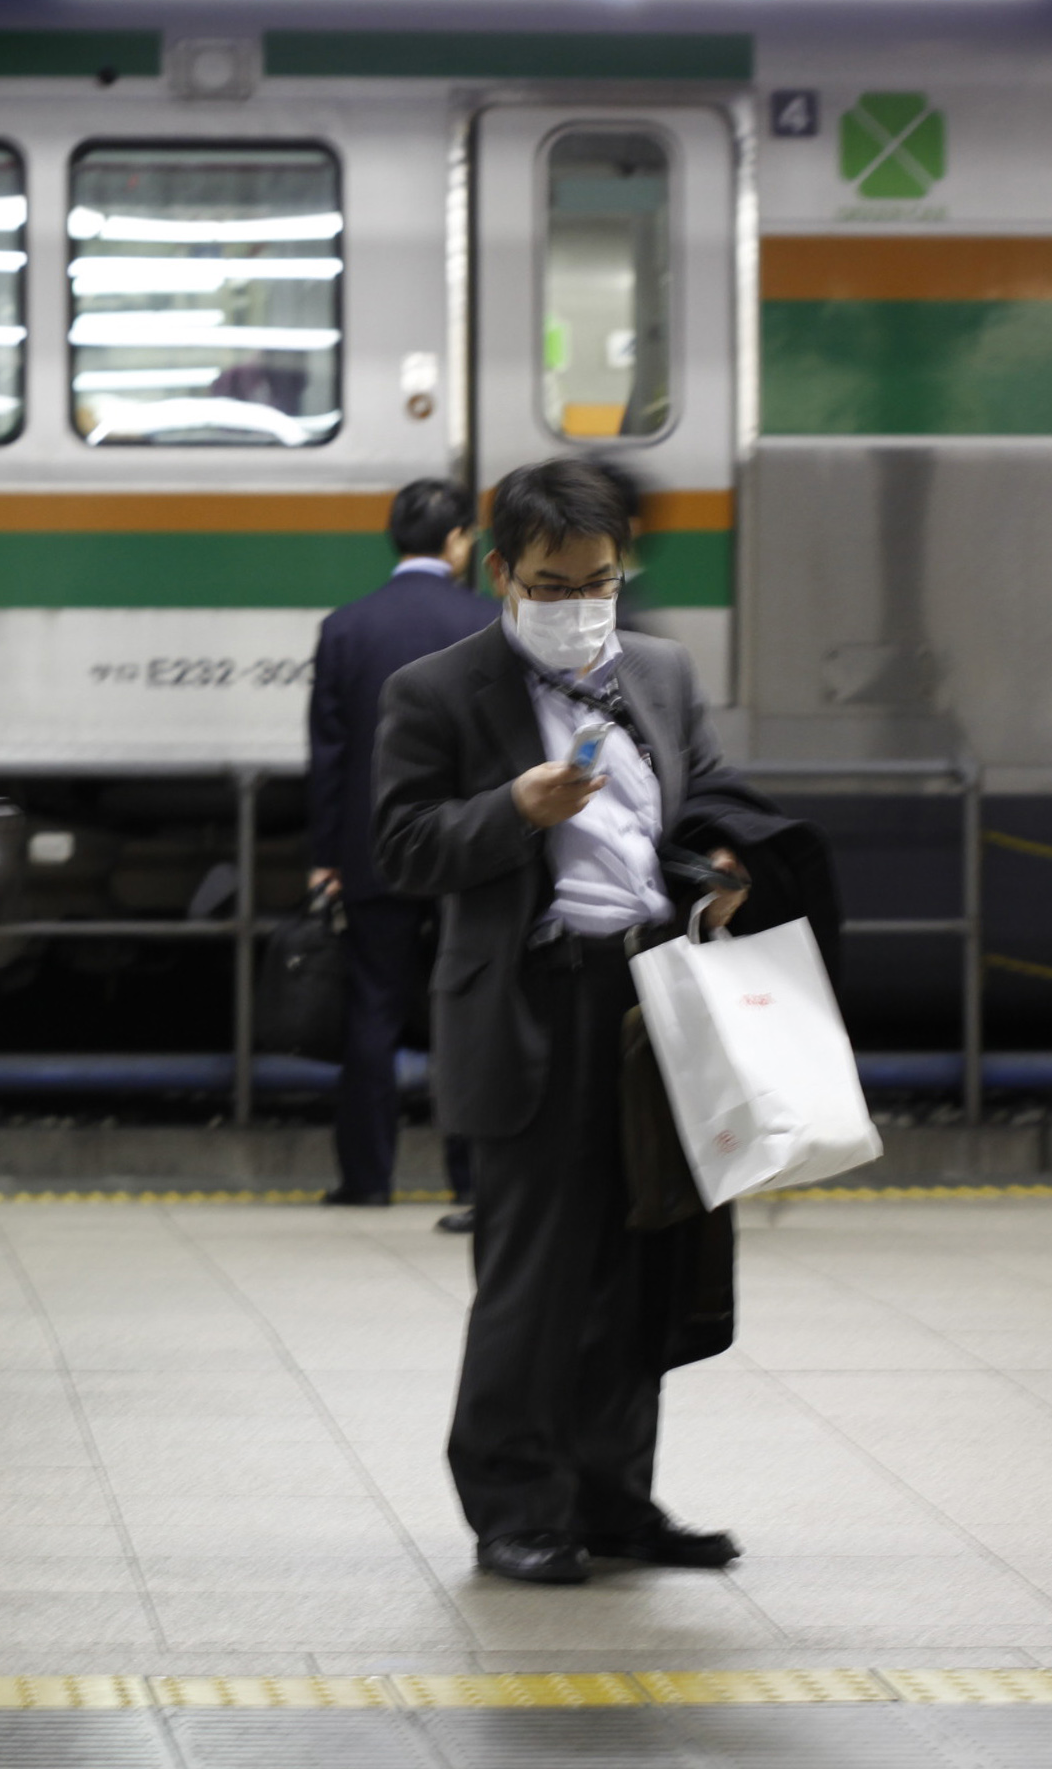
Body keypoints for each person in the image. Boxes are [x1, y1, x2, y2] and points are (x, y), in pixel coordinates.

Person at [373, 457, 767, 1587]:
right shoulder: (438, 690)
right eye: (550, 583)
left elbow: (703, 803)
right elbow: (400, 846)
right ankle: (513, 1507)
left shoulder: (661, 670)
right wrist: (513, 808)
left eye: (596, 579)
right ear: (502, 572)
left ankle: (614, 1499)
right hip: (532, 1003)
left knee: (644, 1261)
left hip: (655, 1000)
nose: (575, 602)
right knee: (536, 1277)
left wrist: (720, 870)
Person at [306, 479, 499, 1226]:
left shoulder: (346, 628)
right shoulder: (486, 620)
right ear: (455, 540)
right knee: (467, 1010)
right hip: (467, 846)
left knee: (373, 1012)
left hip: (374, 849)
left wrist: (328, 855)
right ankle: (471, 1179)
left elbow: (330, 756)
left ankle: (367, 1179)